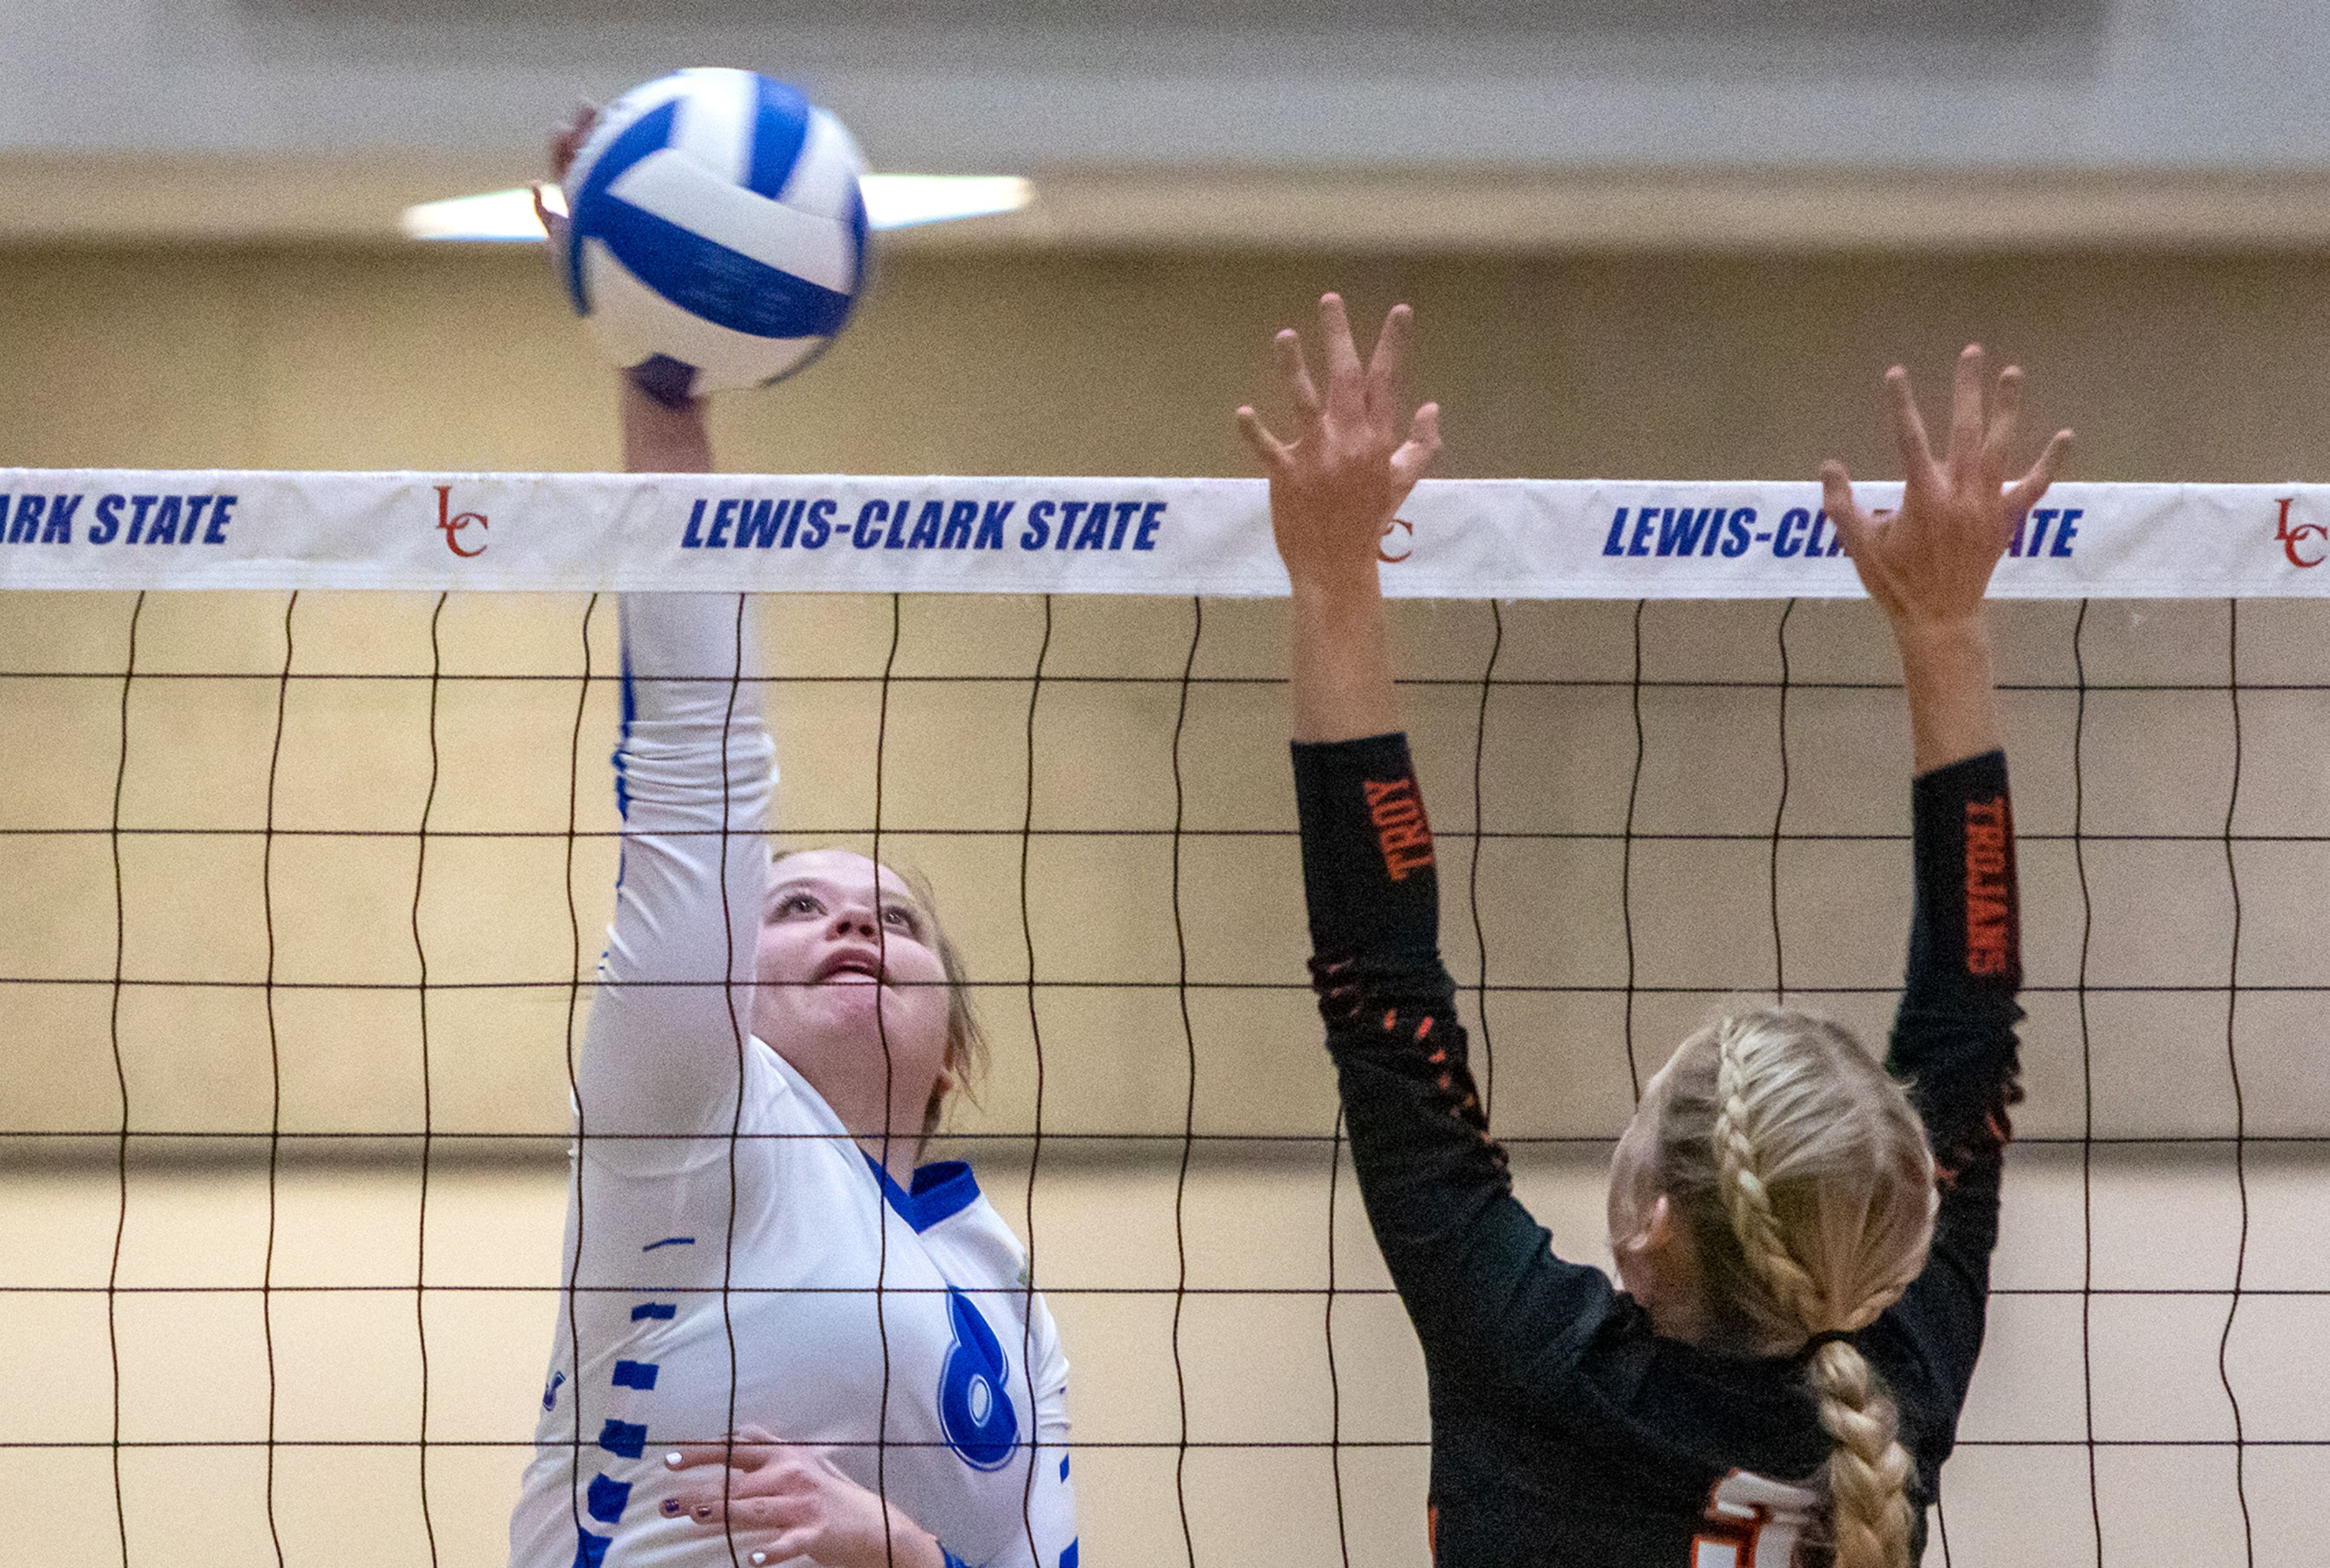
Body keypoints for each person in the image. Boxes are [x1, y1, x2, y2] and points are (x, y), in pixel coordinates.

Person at [1238, 294, 2064, 1566]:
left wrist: (1334, 576)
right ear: (1894, 1243)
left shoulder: (1536, 1362)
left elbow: (1972, 1029)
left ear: (1650, 1222)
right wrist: (1947, 630)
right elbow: (1378, 994)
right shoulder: (1896, 1406)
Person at [508, 114, 1077, 1568]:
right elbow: (698, 771)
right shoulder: (697, 1122)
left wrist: (904, 1554)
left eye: (895, 924)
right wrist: (662, 393)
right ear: (729, 999)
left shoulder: (1000, 1285)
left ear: (954, 1043)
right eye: (799, 907)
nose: (852, 927)